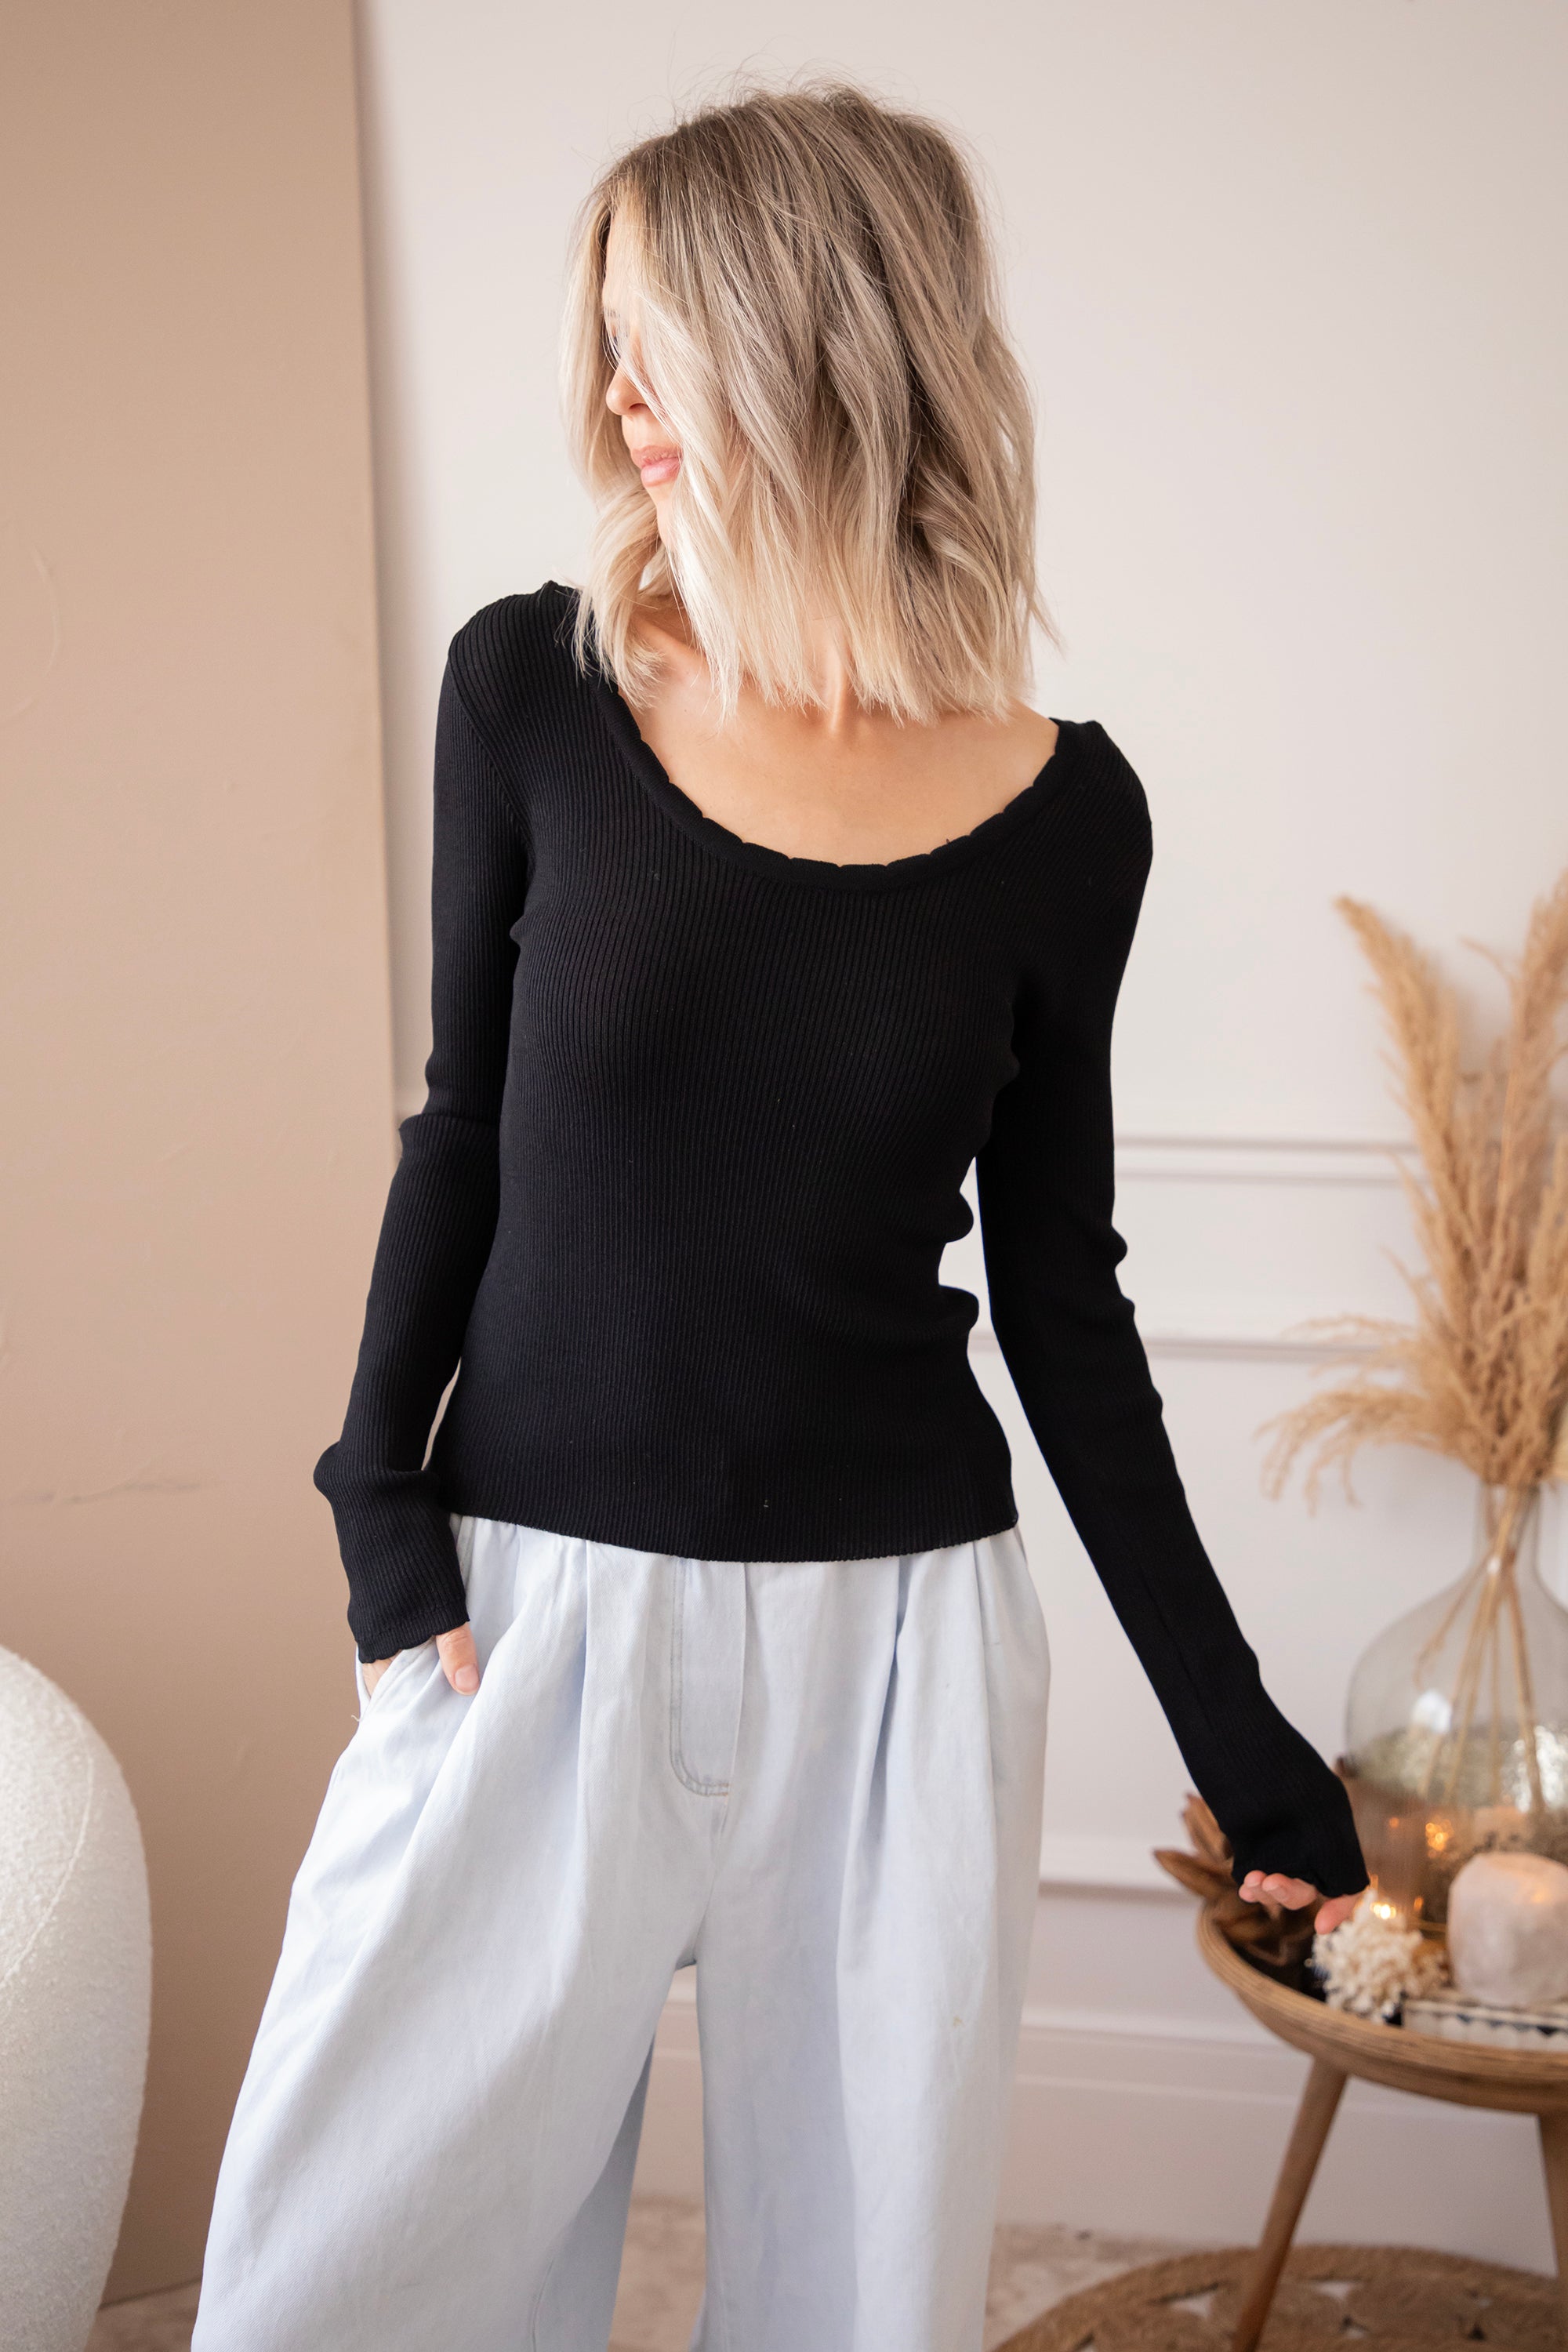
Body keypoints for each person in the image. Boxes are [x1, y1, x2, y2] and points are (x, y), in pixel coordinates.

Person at [192, 76, 1366, 2352]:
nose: (617, 399)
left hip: (898, 1648)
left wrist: (1239, 1740)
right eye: (606, 344)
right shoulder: (531, 692)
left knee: (860, 2311)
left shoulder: (1066, 817)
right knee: (335, 2287)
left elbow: (1066, 1300)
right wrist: (377, 1503)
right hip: (527, 1616)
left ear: (812, 350)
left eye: (662, 345)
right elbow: (461, 1128)